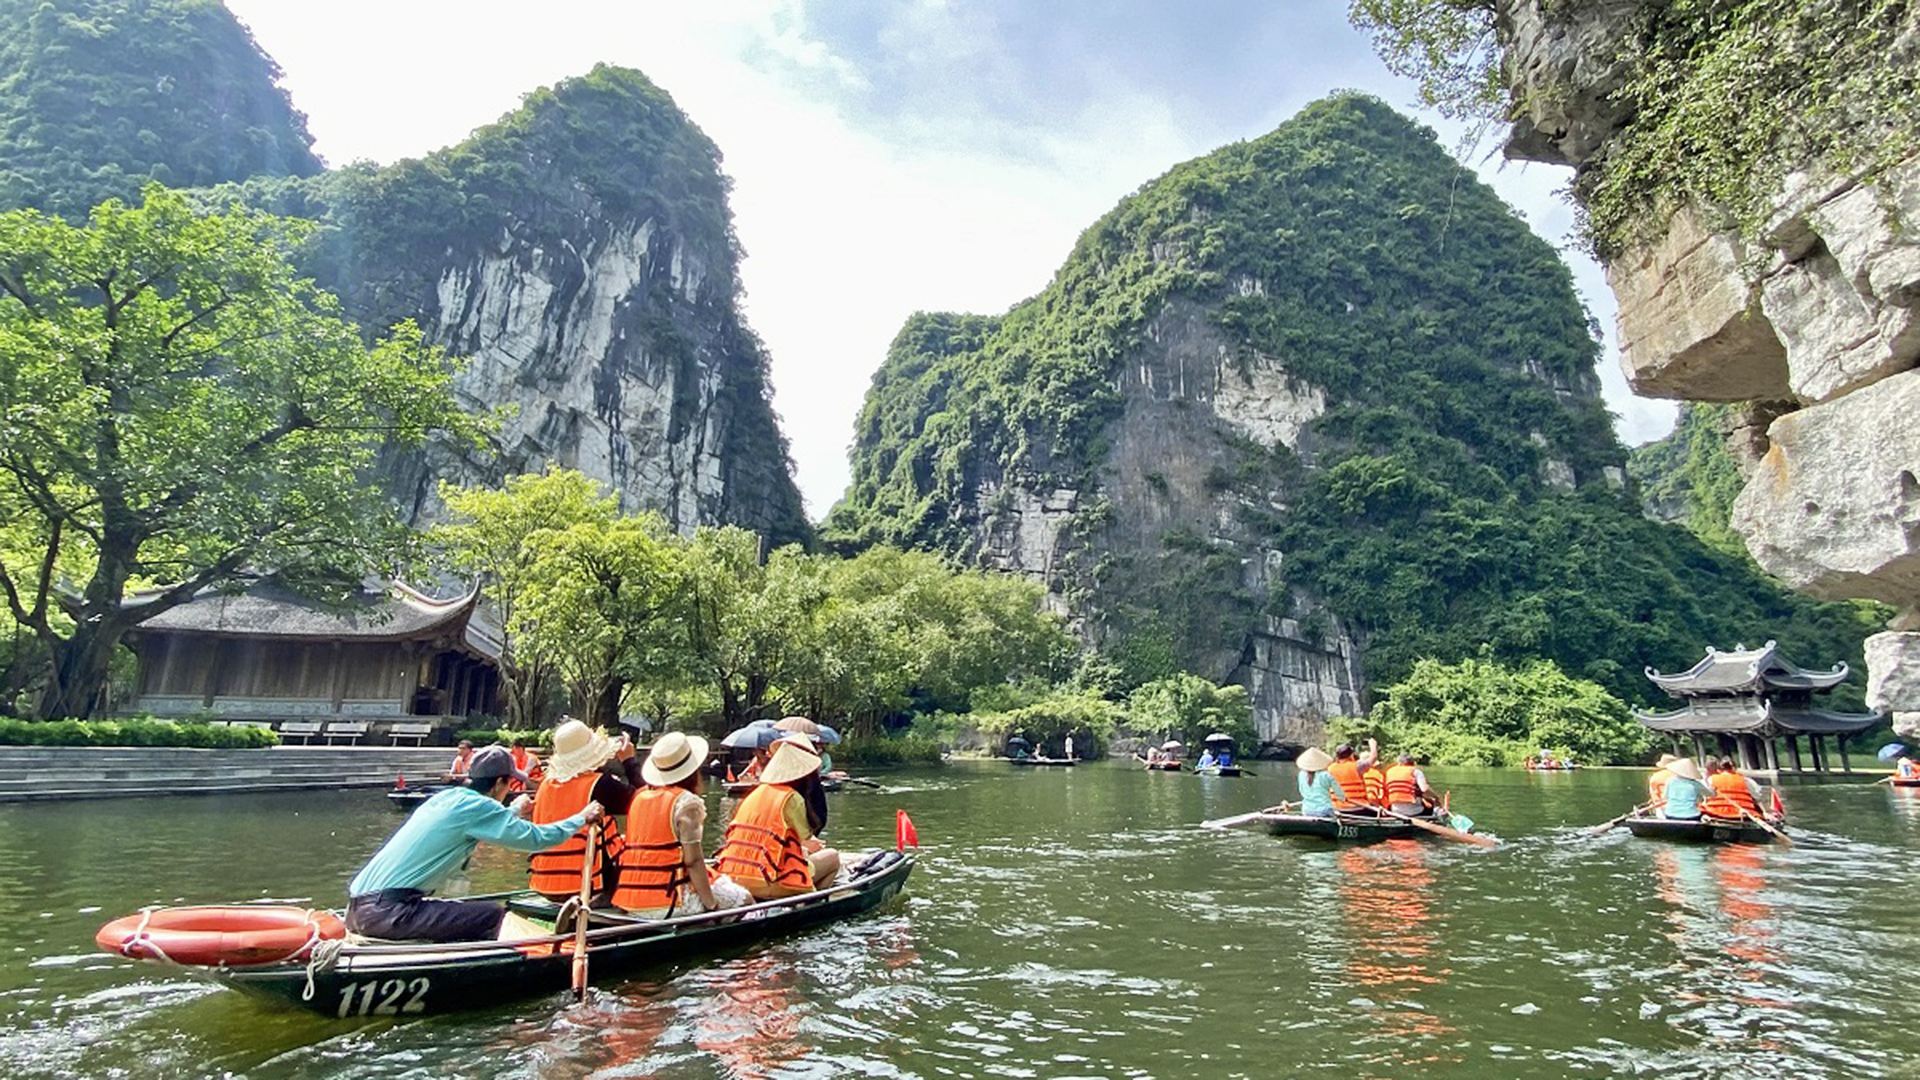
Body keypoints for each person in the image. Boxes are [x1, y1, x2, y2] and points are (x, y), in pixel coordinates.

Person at [346, 746, 604, 942]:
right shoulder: (481, 808)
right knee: (492, 915)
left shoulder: (447, 798)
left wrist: (513, 810)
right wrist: (581, 818)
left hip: (357, 910)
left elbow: (476, 822)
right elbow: (537, 839)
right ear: (501, 783)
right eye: (509, 782)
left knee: (468, 912)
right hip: (390, 913)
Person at [612, 732, 750, 918]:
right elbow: (693, 861)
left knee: (720, 881)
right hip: (670, 901)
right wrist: (711, 905)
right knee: (745, 899)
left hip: (630, 899)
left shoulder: (639, 797)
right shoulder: (687, 803)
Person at [528, 719, 642, 902]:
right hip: (589, 886)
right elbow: (645, 801)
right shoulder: (600, 784)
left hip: (545, 884)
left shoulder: (547, 784)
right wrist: (629, 761)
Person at [715, 738, 841, 899]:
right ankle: (812, 903)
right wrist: (812, 847)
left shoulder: (756, 793)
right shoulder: (791, 798)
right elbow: (805, 841)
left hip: (733, 880)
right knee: (832, 857)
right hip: (769, 881)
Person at [1327, 740, 1379, 812]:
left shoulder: (1330, 769)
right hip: (1359, 808)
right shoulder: (1357, 766)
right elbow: (1373, 758)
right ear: (1351, 755)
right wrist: (1373, 745)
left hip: (1338, 809)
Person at [1295, 747, 1342, 818]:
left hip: (1306, 810)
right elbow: (1339, 794)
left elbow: (1301, 790)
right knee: (1337, 813)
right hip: (1325, 810)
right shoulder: (1326, 775)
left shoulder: (1301, 774)